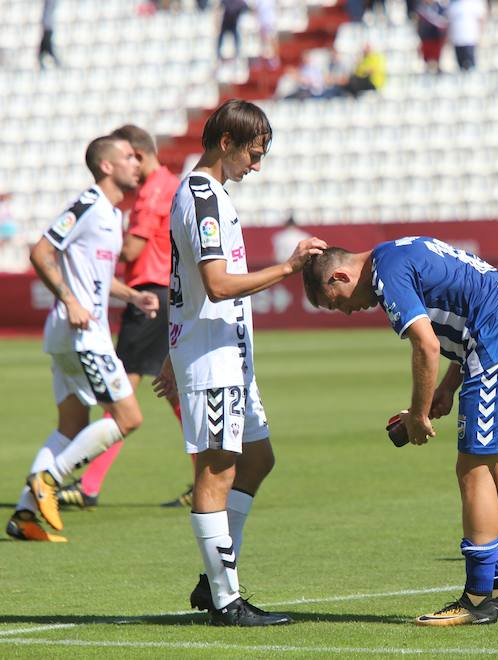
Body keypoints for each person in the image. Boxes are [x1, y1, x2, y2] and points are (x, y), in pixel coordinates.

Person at [301, 237, 498, 626]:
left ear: (340, 275)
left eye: (337, 301)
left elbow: (427, 345)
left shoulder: (387, 271)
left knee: (472, 470)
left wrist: (418, 416)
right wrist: (447, 390)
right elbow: (471, 314)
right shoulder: (403, 250)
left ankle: (477, 598)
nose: (348, 311)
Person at [151, 100, 327, 625]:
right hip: (214, 359)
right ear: (225, 143)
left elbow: (185, 288)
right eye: (253, 153)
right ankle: (226, 601)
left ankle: (214, 580)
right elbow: (216, 283)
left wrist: (170, 352)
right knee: (216, 472)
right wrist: (289, 267)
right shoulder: (203, 198)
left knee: (257, 459)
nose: (257, 166)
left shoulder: (212, 196)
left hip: (223, 353)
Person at [6, 136, 159, 542]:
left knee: (71, 426)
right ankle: (49, 480)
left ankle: (24, 515)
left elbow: (98, 279)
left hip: (71, 332)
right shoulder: (89, 204)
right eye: (128, 156)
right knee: (128, 417)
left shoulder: (110, 214)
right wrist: (71, 300)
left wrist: (134, 296)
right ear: (106, 166)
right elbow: (40, 251)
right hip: (83, 332)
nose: (136, 162)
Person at [56, 125, 188, 510]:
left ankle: (89, 484)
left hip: (150, 292)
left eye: (130, 157)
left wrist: (89, 251)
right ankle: (207, 474)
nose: (129, 164)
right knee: (166, 391)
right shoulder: (169, 184)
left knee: (119, 397)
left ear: (140, 155)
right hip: (161, 292)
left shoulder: (153, 189)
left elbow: (131, 249)